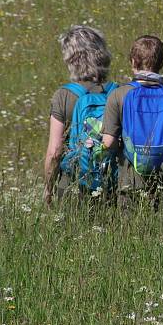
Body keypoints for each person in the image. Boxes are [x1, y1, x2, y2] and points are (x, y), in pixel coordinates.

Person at [101, 35, 163, 211]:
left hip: (131, 182)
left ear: (133, 62)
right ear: (161, 63)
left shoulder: (118, 95)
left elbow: (108, 142)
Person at [43, 26, 115, 206]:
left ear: (70, 59)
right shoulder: (119, 92)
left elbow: (54, 151)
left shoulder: (64, 95)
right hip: (112, 184)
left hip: (73, 186)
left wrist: (48, 188)